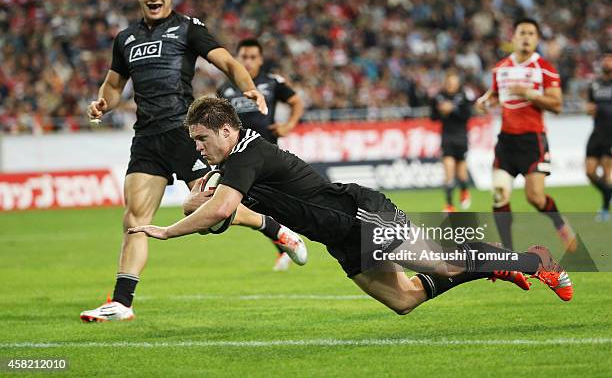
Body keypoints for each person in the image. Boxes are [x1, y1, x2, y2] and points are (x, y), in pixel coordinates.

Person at [128, 96, 574, 318]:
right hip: (339, 239)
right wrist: (197, 198)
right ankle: (493, 264)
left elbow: (221, 211)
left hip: (358, 214)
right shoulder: (232, 165)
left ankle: (535, 258)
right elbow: (205, 206)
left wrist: (168, 230)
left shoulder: (248, 154)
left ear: (225, 131)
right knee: (404, 300)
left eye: (202, 140)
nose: (200, 150)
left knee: (444, 264)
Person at [79, 0, 307, 323]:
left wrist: (248, 87)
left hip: (186, 134)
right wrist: (102, 103)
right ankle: (122, 303)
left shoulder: (188, 28)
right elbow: (113, 83)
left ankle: (272, 228)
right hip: (147, 138)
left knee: (205, 210)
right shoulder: (125, 38)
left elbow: (228, 61)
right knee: (134, 220)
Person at [475, 18, 576, 252]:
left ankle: (559, 222)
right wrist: (484, 101)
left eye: (531, 33)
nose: (527, 37)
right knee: (499, 195)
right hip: (507, 141)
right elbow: (495, 94)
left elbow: (557, 105)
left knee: (535, 198)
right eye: (523, 33)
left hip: (533, 141)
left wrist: (529, 93)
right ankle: (508, 254)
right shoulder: (501, 68)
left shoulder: (545, 69)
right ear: (514, 37)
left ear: (537, 39)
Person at [218, 38, 305, 270]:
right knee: (255, 206)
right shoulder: (226, 87)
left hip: (268, 154)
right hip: (238, 158)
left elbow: (296, 102)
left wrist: (288, 125)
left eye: (252, 57)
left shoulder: (272, 82)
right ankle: (285, 243)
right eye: (243, 57)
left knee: (272, 202)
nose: (248, 61)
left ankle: (287, 240)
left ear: (261, 59)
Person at [431, 70, 473, 212]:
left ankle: (464, 191)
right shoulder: (439, 97)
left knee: (461, 174)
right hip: (447, 137)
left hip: (461, 137)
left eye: (454, 83)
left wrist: (453, 109)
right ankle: (449, 205)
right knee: (448, 170)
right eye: (449, 83)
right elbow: (433, 116)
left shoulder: (464, 96)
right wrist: (440, 111)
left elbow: (467, 115)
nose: (451, 85)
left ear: (457, 83)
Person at [585, 53, 612, 222]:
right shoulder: (594, 85)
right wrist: (589, 109)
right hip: (596, 134)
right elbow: (589, 105)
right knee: (589, 172)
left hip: (611, 135)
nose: (607, 62)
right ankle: (608, 192)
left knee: (607, 173)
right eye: (605, 59)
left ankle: (604, 210)